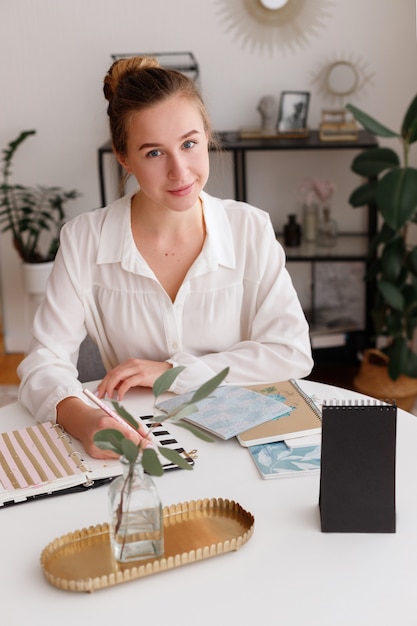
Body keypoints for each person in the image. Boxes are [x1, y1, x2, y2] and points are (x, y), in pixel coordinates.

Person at [18, 56, 313, 459]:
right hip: (136, 444)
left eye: (189, 144)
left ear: (206, 136)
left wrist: (175, 373)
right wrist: (85, 420)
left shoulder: (251, 229)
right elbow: (43, 360)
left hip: (238, 448)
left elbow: (290, 352)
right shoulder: (85, 238)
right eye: (155, 153)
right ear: (124, 157)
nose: (180, 171)